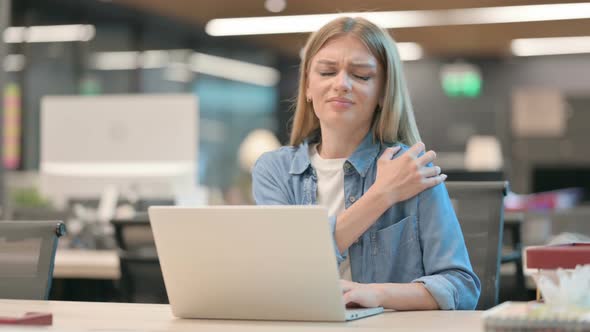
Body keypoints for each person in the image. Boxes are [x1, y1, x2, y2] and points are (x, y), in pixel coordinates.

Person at [252, 16, 480, 310]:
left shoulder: (411, 168)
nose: (341, 84)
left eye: (361, 76)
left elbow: (462, 287)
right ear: (308, 86)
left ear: (383, 93)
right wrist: (381, 194)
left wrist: (376, 294)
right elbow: (288, 269)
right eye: (326, 72)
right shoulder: (275, 171)